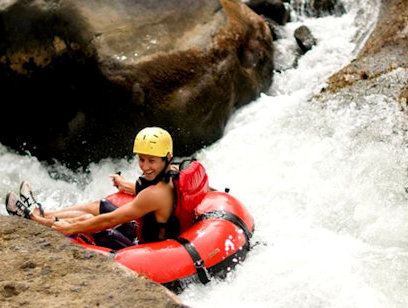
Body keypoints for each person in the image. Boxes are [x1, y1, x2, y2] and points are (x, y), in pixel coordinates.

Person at [5, 127, 181, 247]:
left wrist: (71, 228)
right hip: (144, 229)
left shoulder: (155, 194)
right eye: (142, 159)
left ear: (167, 157)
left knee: (87, 220)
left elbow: (111, 220)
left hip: (145, 247)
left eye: (151, 161)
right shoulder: (172, 171)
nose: (145, 166)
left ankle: (34, 220)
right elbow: (144, 189)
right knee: (98, 206)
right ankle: (42, 212)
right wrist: (125, 184)